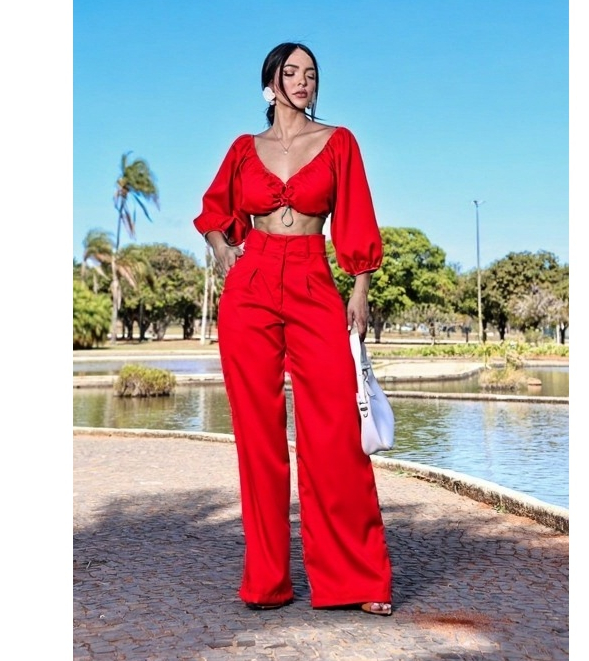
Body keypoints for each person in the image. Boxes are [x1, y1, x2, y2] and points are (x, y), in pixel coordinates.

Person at [193, 42, 392, 616]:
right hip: (251, 283)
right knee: (257, 438)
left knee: (334, 432)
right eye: (291, 72)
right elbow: (214, 211)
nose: (303, 81)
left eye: (310, 73)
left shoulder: (338, 142)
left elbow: (357, 217)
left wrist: (359, 288)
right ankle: (266, 582)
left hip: (312, 278)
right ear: (271, 83)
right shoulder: (243, 149)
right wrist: (222, 249)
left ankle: (355, 579)